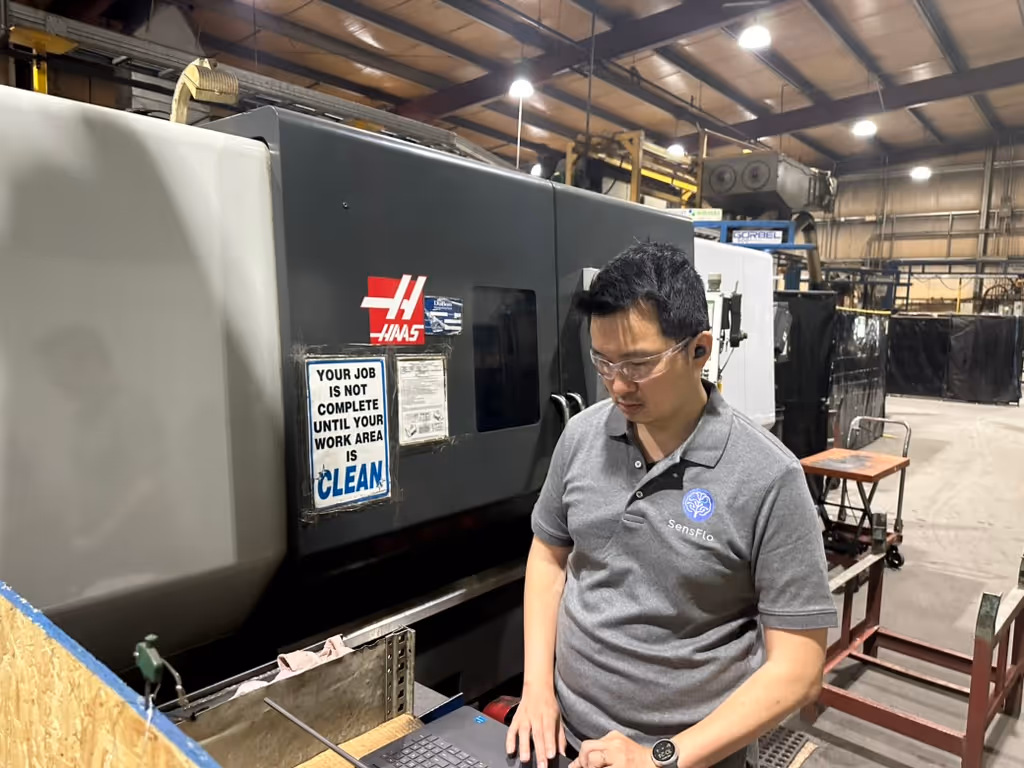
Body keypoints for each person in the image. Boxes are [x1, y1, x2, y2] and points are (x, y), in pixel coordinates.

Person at [506, 241, 838, 768]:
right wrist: (536, 689)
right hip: (564, 737)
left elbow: (798, 668)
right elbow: (548, 557)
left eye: (639, 363)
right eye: (603, 360)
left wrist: (661, 756)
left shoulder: (771, 478)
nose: (617, 384)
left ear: (699, 350)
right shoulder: (581, 436)